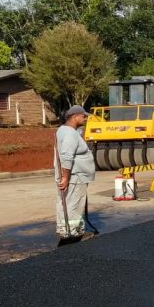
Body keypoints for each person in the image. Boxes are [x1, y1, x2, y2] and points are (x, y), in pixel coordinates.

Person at [54, 105, 96, 246]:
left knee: (70, 204)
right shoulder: (69, 134)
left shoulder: (67, 131)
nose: (85, 118)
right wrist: (66, 177)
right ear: (75, 116)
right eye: (83, 116)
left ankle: (69, 232)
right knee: (73, 205)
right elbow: (67, 156)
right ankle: (72, 236)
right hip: (75, 177)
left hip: (76, 177)